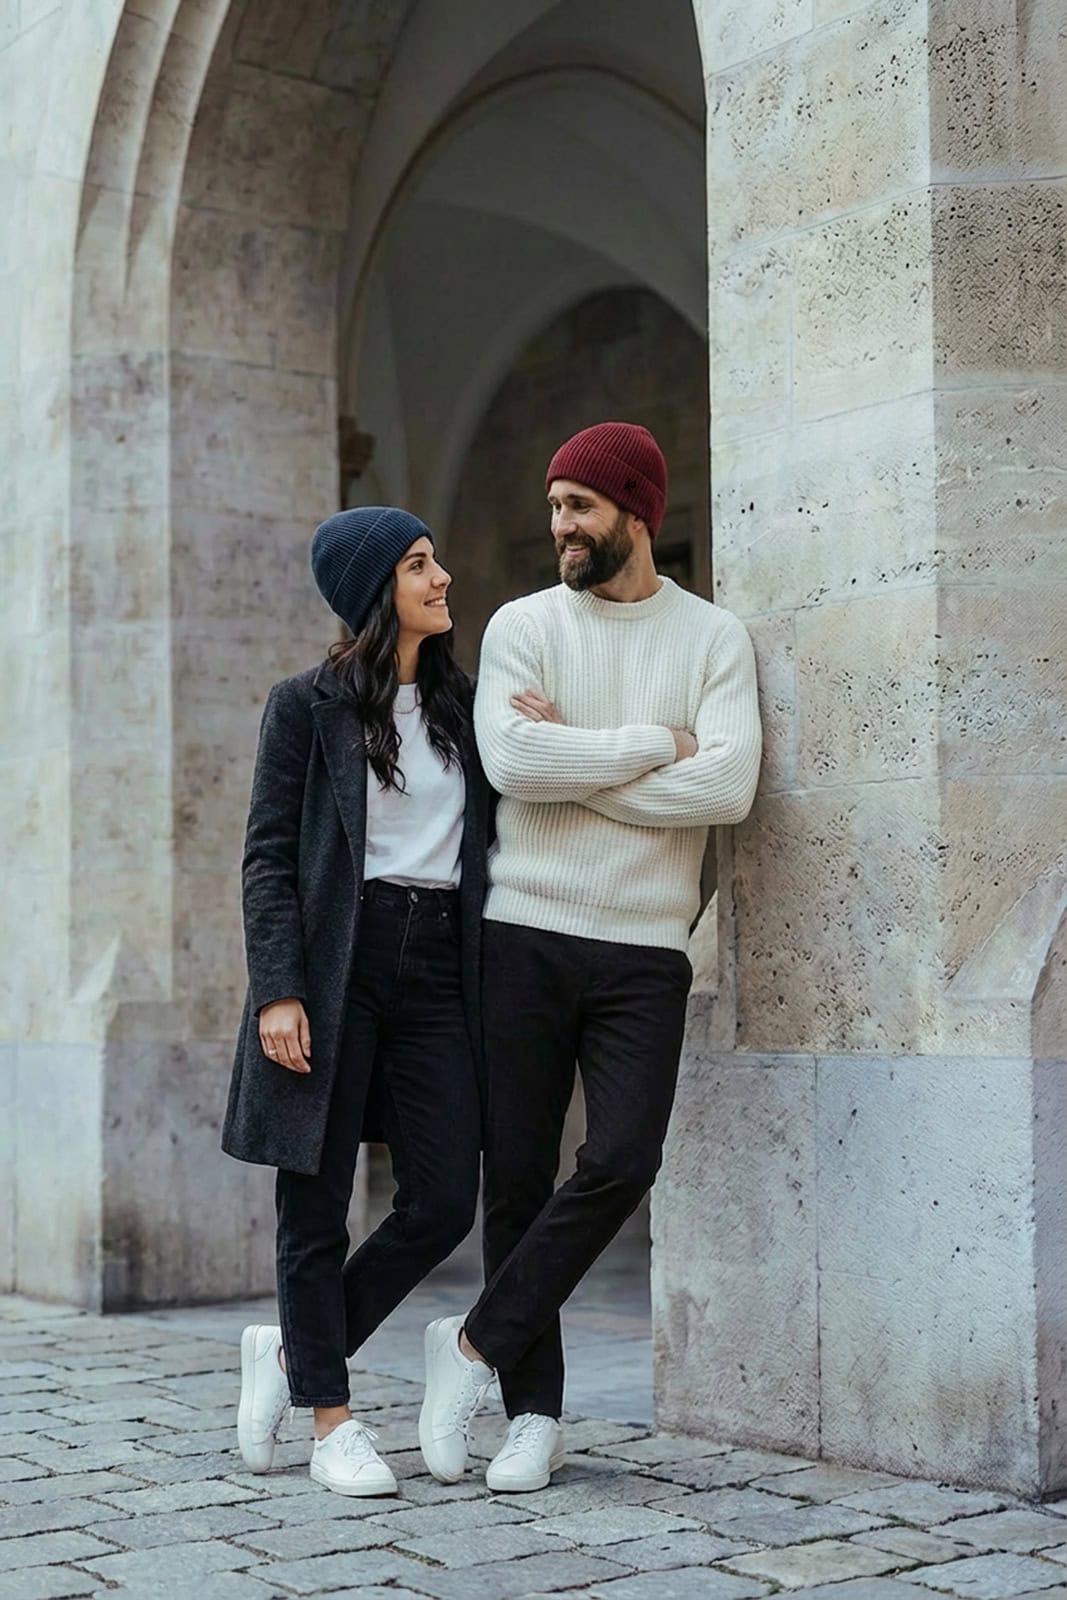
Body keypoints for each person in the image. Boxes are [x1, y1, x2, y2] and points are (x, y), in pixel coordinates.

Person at [417, 421, 763, 1492]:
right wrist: (654, 743)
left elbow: (730, 790)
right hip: (522, 931)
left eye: (579, 505)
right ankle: (532, 1414)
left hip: (645, 946)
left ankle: (469, 1342)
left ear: (635, 510)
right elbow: (512, 760)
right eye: (554, 504)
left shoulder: (710, 639)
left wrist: (580, 759)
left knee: (620, 1159)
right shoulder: (523, 625)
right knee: (515, 1178)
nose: (557, 524)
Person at [221, 506, 490, 1498]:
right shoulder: (305, 707)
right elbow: (266, 860)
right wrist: (277, 989)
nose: (443, 577)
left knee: (436, 1199)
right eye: (421, 564)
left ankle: (294, 1349)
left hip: (437, 968)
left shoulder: (465, 705)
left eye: (436, 557)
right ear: (380, 587)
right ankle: (332, 1420)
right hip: (339, 960)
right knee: (316, 1195)